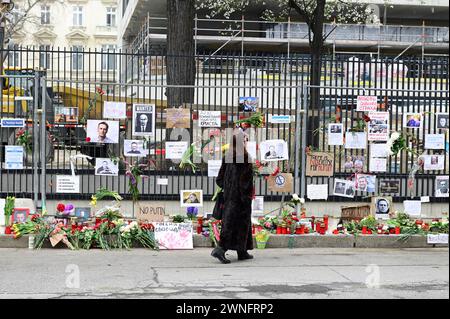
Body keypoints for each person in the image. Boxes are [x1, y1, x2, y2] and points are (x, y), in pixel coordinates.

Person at [211, 129, 254, 264]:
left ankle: (242, 251)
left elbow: (219, 179)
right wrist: (246, 197)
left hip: (229, 198)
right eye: (245, 140)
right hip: (241, 199)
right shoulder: (246, 158)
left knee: (229, 223)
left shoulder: (227, 156)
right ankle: (221, 249)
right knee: (241, 224)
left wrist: (228, 188)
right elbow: (245, 183)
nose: (246, 142)